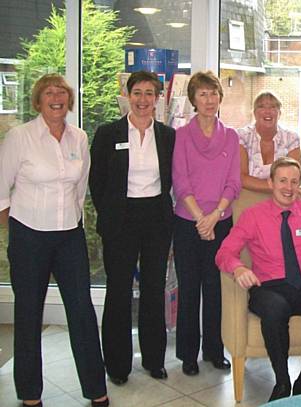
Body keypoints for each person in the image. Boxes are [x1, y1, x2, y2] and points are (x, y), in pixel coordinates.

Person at [0, 74, 109, 407]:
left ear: (69, 100)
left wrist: (71, 222)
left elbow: (80, 187)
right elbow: (1, 189)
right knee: (29, 313)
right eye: (49, 93)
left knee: (82, 312)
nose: (56, 97)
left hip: (68, 237)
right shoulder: (20, 137)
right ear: (38, 100)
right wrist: (15, 233)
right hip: (29, 235)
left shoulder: (78, 137)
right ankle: (30, 394)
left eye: (62, 92)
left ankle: (96, 390)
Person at [215, 157, 301, 402]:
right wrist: (238, 269)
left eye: (294, 182)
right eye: (283, 181)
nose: (289, 188)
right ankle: (282, 381)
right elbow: (224, 253)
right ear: (271, 183)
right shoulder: (252, 215)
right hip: (268, 287)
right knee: (276, 309)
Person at [89, 71, 176, 384]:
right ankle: (117, 365)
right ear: (127, 96)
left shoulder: (167, 136)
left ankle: (154, 360)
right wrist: (110, 214)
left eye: (149, 93)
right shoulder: (107, 133)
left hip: (155, 218)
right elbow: (96, 182)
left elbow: (171, 180)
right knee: (119, 291)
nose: (143, 100)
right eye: (137, 93)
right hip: (120, 220)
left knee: (154, 290)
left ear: (157, 98)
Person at [172, 71, 240, 376]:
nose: (209, 100)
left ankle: (214, 350)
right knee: (189, 288)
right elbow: (180, 181)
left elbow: (234, 182)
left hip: (221, 222)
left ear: (220, 98)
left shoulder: (231, 136)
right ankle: (188, 354)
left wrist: (215, 216)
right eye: (202, 94)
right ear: (193, 100)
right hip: (188, 222)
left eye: (213, 94)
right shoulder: (182, 135)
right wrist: (201, 218)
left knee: (215, 288)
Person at [237, 91, 301, 192]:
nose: (267, 111)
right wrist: (277, 186)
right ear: (254, 113)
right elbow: (241, 177)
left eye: (273, 107)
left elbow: (296, 179)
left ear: (279, 113)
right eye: (261, 107)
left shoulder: (291, 138)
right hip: (247, 199)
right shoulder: (242, 136)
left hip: (282, 201)